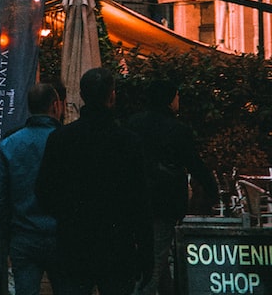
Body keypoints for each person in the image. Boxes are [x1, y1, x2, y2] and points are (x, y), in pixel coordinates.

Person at [36, 67, 153, 295]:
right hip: (117, 246)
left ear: (81, 95)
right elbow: (140, 200)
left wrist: (67, 214)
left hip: (74, 243)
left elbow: (44, 190)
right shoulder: (128, 142)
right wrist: (146, 252)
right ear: (112, 95)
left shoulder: (61, 139)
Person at [127, 79, 218, 295]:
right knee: (156, 260)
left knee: (156, 258)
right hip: (164, 203)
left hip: (136, 202)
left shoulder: (133, 123)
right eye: (177, 97)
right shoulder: (178, 130)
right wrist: (212, 190)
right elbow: (195, 164)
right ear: (170, 100)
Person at [0, 82, 63, 295]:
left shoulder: (11, 143)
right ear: (55, 105)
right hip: (61, 234)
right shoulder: (66, 141)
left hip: (23, 233)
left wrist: (9, 228)